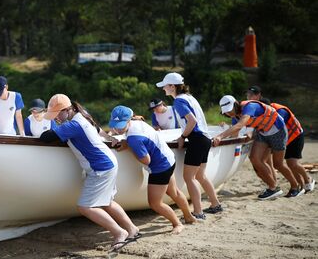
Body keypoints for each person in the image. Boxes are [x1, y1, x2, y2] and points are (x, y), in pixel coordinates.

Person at [39, 94, 140, 252]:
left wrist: (57, 129)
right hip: (108, 162)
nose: (56, 118)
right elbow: (98, 129)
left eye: (57, 114)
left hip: (100, 167)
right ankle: (132, 229)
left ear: (67, 110)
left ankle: (119, 232)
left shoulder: (72, 125)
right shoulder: (82, 116)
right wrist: (109, 137)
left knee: (85, 207)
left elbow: (45, 137)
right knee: (106, 202)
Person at [109, 106, 198, 234]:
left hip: (160, 167)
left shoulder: (133, 139)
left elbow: (146, 160)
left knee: (155, 203)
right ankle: (189, 217)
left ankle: (177, 224)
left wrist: (129, 146)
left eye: (120, 125)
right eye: (115, 125)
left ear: (128, 120)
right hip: (168, 159)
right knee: (174, 192)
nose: (117, 129)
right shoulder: (137, 122)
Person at [156, 72, 221, 218]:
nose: (163, 89)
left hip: (197, 139)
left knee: (189, 177)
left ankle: (198, 212)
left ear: (172, 86)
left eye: (165, 86)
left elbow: (192, 121)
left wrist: (183, 137)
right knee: (200, 176)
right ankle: (215, 204)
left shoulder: (179, 101)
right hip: (204, 139)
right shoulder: (190, 98)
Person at [213, 95, 303, 199]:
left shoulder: (249, 106)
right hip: (263, 133)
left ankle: (295, 187)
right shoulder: (234, 117)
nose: (229, 113)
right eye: (226, 112)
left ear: (235, 104)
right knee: (254, 158)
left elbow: (240, 125)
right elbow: (235, 133)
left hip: (278, 131)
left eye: (230, 110)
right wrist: (224, 134)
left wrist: (220, 136)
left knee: (278, 164)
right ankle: (273, 188)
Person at [263, 99, 315, 193]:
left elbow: (277, 126)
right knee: (289, 164)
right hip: (285, 140)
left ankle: (308, 180)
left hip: (296, 136)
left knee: (293, 163)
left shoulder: (280, 111)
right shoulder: (267, 114)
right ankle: (300, 185)